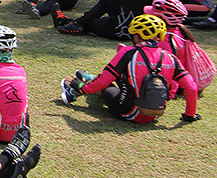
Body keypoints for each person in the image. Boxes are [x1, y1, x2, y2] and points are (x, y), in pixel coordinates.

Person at [61, 14, 200, 125]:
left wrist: (83, 88)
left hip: (128, 111)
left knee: (106, 86)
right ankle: (86, 81)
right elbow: (191, 87)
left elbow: (104, 81)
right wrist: (189, 115)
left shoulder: (129, 52)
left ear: (137, 36)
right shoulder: (171, 58)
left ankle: (76, 90)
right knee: (120, 78)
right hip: (154, 114)